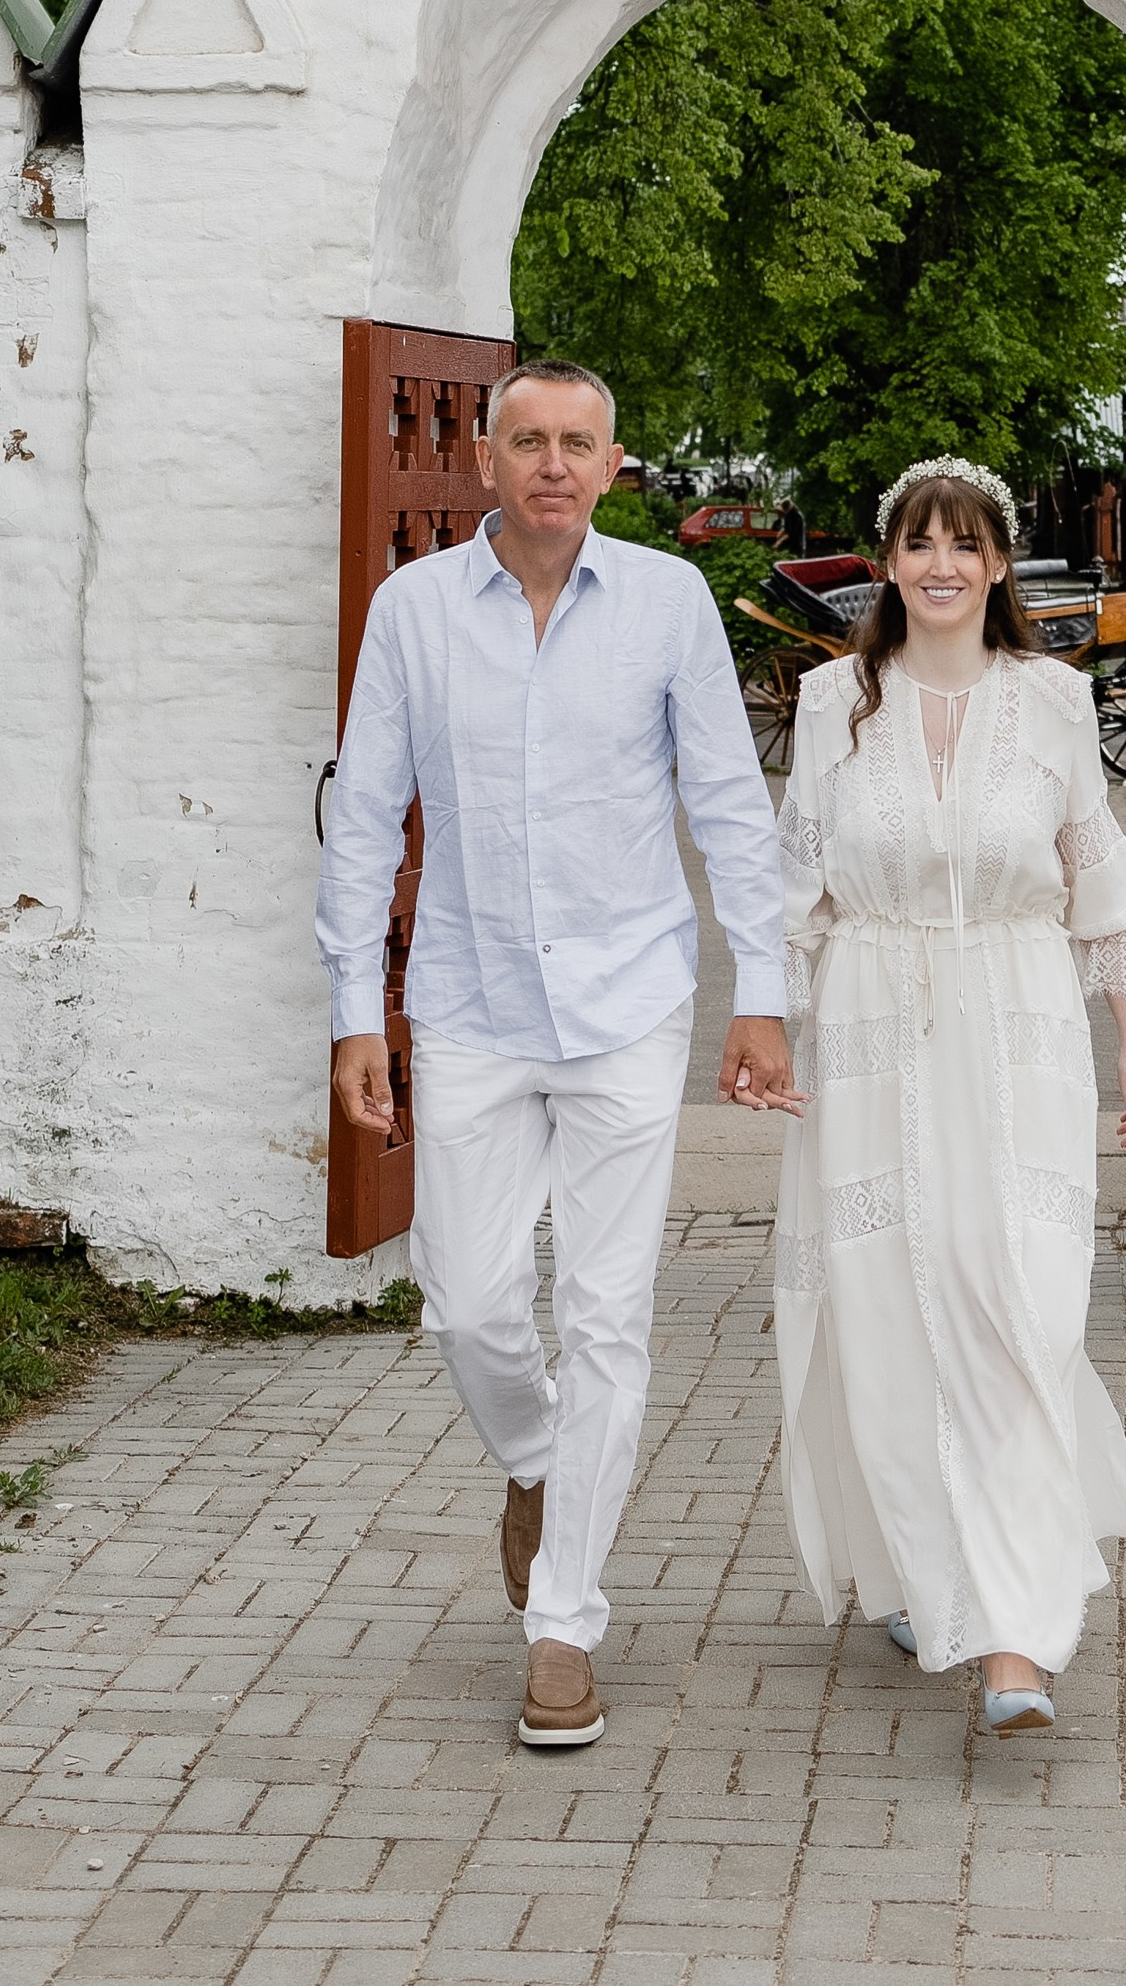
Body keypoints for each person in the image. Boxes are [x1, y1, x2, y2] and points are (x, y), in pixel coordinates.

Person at [319, 360, 794, 1753]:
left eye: (577, 442)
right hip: (466, 1002)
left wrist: (755, 992)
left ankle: (563, 1625)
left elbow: (726, 801)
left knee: (605, 1316)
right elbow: (365, 814)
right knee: (465, 1303)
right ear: (483, 459)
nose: (551, 464)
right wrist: (360, 1008)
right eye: (526, 439)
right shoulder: (414, 612)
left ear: (611, 461)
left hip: (629, 1000)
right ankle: (536, 1462)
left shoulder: (666, 604)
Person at [773, 457, 1126, 1734]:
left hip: (1016, 1033)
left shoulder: (1051, 699)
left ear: (996, 564)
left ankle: (1013, 1633)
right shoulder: (836, 700)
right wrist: (768, 1027)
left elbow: (1097, 879)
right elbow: (795, 889)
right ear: (887, 561)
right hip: (873, 1026)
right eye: (917, 541)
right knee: (887, 1308)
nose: (941, 563)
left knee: (1014, 1306)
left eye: (966, 543)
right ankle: (913, 1561)